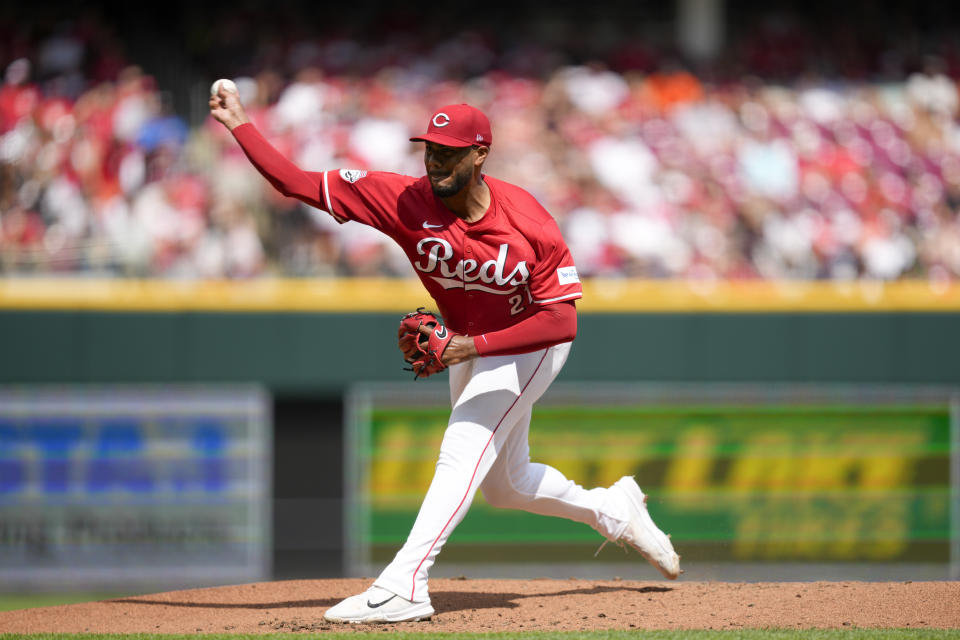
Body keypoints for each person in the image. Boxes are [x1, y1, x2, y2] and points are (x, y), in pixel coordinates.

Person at [209, 86, 681, 624]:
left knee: (463, 443)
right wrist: (241, 123)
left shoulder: (527, 220)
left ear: (479, 154)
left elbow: (562, 319)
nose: (435, 161)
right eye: (430, 150)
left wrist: (468, 347)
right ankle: (614, 510)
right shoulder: (403, 198)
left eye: (449, 152)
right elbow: (295, 182)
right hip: (470, 345)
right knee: (507, 485)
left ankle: (405, 583)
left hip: (531, 343)